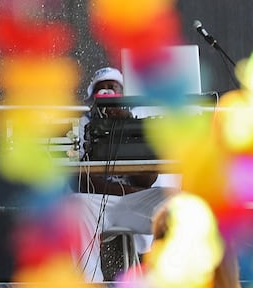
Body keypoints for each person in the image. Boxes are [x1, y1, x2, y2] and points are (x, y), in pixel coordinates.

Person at [70, 66, 175, 282]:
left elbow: (148, 179)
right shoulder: (81, 126)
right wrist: (128, 191)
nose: (108, 93)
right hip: (97, 202)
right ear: (93, 98)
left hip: (134, 200)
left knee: (175, 201)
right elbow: (84, 180)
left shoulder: (138, 121)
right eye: (102, 89)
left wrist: (126, 128)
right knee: (74, 205)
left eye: (113, 88)